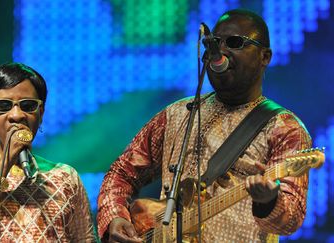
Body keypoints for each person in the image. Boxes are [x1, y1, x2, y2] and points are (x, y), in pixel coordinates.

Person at [97, 9, 311, 242]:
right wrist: (115, 217)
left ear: (265, 56)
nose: (221, 51)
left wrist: (269, 201)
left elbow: (292, 218)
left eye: (235, 42)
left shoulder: (285, 128)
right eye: (214, 43)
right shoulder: (177, 114)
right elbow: (121, 173)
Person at [0, 62, 96, 242]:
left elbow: (85, 239)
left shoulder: (66, 178)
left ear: (41, 113)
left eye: (28, 105)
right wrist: (6, 161)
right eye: (4, 105)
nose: (16, 115)